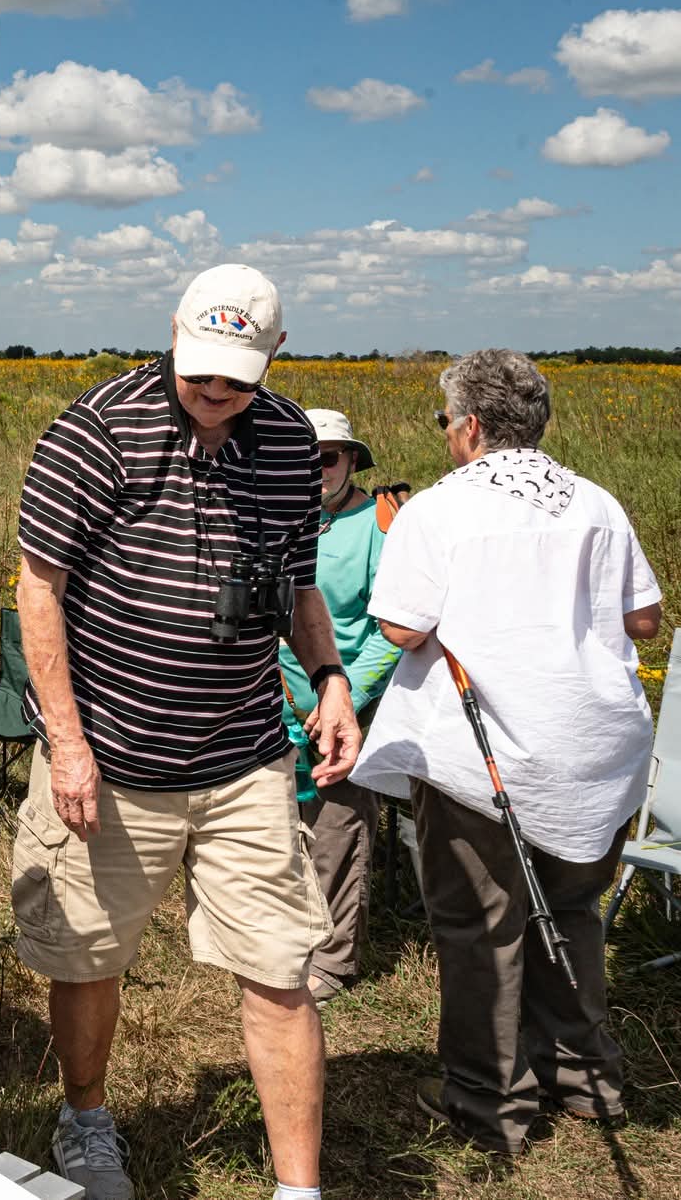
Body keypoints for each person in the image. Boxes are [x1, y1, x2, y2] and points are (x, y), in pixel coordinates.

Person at [11, 264, 359, 1200]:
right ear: (170, 332)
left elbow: (296, 584)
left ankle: (299, 1188)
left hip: (243, 755)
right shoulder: (93, 435)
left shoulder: (289, 443)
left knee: (283, 965)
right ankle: (85, 1117)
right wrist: (68, 742)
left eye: (237, 378)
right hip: (111, 756)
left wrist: (328, 678)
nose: (214, 392)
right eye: (199, 369)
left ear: (274, 359)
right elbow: (37, 593)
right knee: (87, 956)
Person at [352, 349, 662, 1154]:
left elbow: (403, 629)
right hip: (594, 744)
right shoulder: (595, 500)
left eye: (444, 419)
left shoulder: (439, 510)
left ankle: (489, 1101)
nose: (446, 433)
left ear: (473, 427)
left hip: (481, 747)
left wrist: (400, 543)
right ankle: (585, 1078)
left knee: (480, 923)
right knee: (572, 911)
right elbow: (643, 621)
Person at [276, 409, 401, 1003]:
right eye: (306, 457)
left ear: (352, 462)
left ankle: (332, 960)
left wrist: (342, 695)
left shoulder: (379, 526)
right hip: (272, 702)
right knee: (279, 827)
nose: (317, 468)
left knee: (337, 828)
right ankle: (283, 942)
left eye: (328, 457)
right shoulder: (276, 516)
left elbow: (389, 630)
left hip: (346, 706)